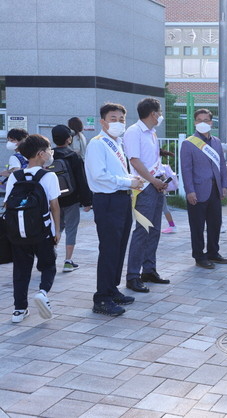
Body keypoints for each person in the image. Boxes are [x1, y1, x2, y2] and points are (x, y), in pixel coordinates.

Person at [85, 103, 145, 316]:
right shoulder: (97, 144)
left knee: (119, 247)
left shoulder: (117, 143)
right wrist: (128, 182)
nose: (118, 123)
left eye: (121, 119)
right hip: (107, 201)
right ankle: (101, 298)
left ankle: (111, 289)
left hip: (121, 199)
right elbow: (99, 176)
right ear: (102, 121)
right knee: (109, 249)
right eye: (113, 119)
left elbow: (117, 173)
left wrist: (132, 179)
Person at [4, 135, 61, 323]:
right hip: (42, 232)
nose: (51, 153)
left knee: (21, 270)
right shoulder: (49, 176)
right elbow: (54, 206)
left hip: (17, 233)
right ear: (41, 154)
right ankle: (43, 292)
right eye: (49, 150)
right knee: (48, 265)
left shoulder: (15, 176)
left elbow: (7, 204)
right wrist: (57, 230)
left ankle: (19, 310)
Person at [122, 98, 170, 293]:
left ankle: (149, 270)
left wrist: (160, 179)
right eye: (159, 112)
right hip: (143, 187)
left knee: (154, 230)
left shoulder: (152, 132)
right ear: (153, 114)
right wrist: (153, 180)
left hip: (156, 185)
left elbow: (151, 159)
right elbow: (134, 161)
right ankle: (132, 276)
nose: (160, 116)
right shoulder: (134, 131)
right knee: (143, 231)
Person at [180, 108, 227, 269]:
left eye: (206, 120)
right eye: (199, 120)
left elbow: (222, 164)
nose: (203, 123)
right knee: (197, 226)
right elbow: (186, 170)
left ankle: (213, 253)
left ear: (211, 122)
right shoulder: (188, 143)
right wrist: (190, 191)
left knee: (215, 223)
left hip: (215, 190)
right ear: (195, 122)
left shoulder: (216, 142)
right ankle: (199, 256)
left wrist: (225, 185)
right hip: (197, 190)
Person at [51, 124, 93, 272]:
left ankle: (50, 255)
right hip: (72, 199)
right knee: (71, 229)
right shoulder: (73, 156)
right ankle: (68, 261)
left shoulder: (49, 155)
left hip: (54, 200)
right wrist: (87, 201)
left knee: (56, 227)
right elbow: (82, 180)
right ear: (69, 139)